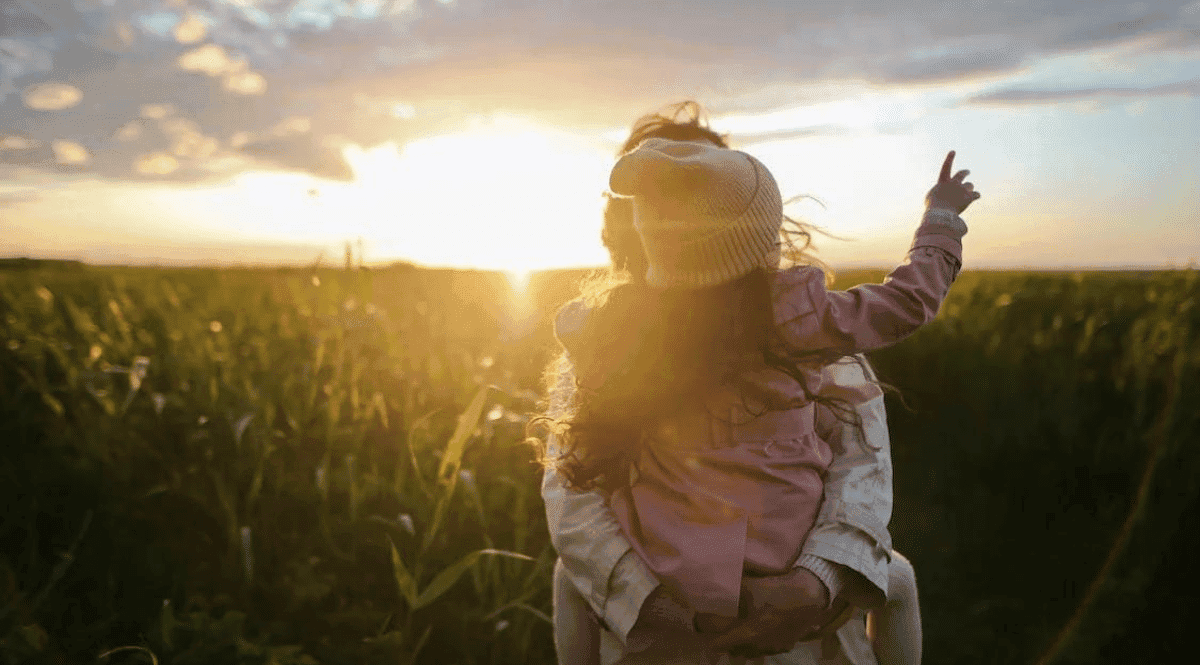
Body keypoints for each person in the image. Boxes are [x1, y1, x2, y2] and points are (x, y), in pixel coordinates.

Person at [536, 103, 979, 664]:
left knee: (566, 579)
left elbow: (859, 470)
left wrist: (816, 582)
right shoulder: (803, 324)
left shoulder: (610, 335)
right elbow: (573, 502)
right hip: (718, 596)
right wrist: (941, 221)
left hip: (713, 591)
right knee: (901, 579)